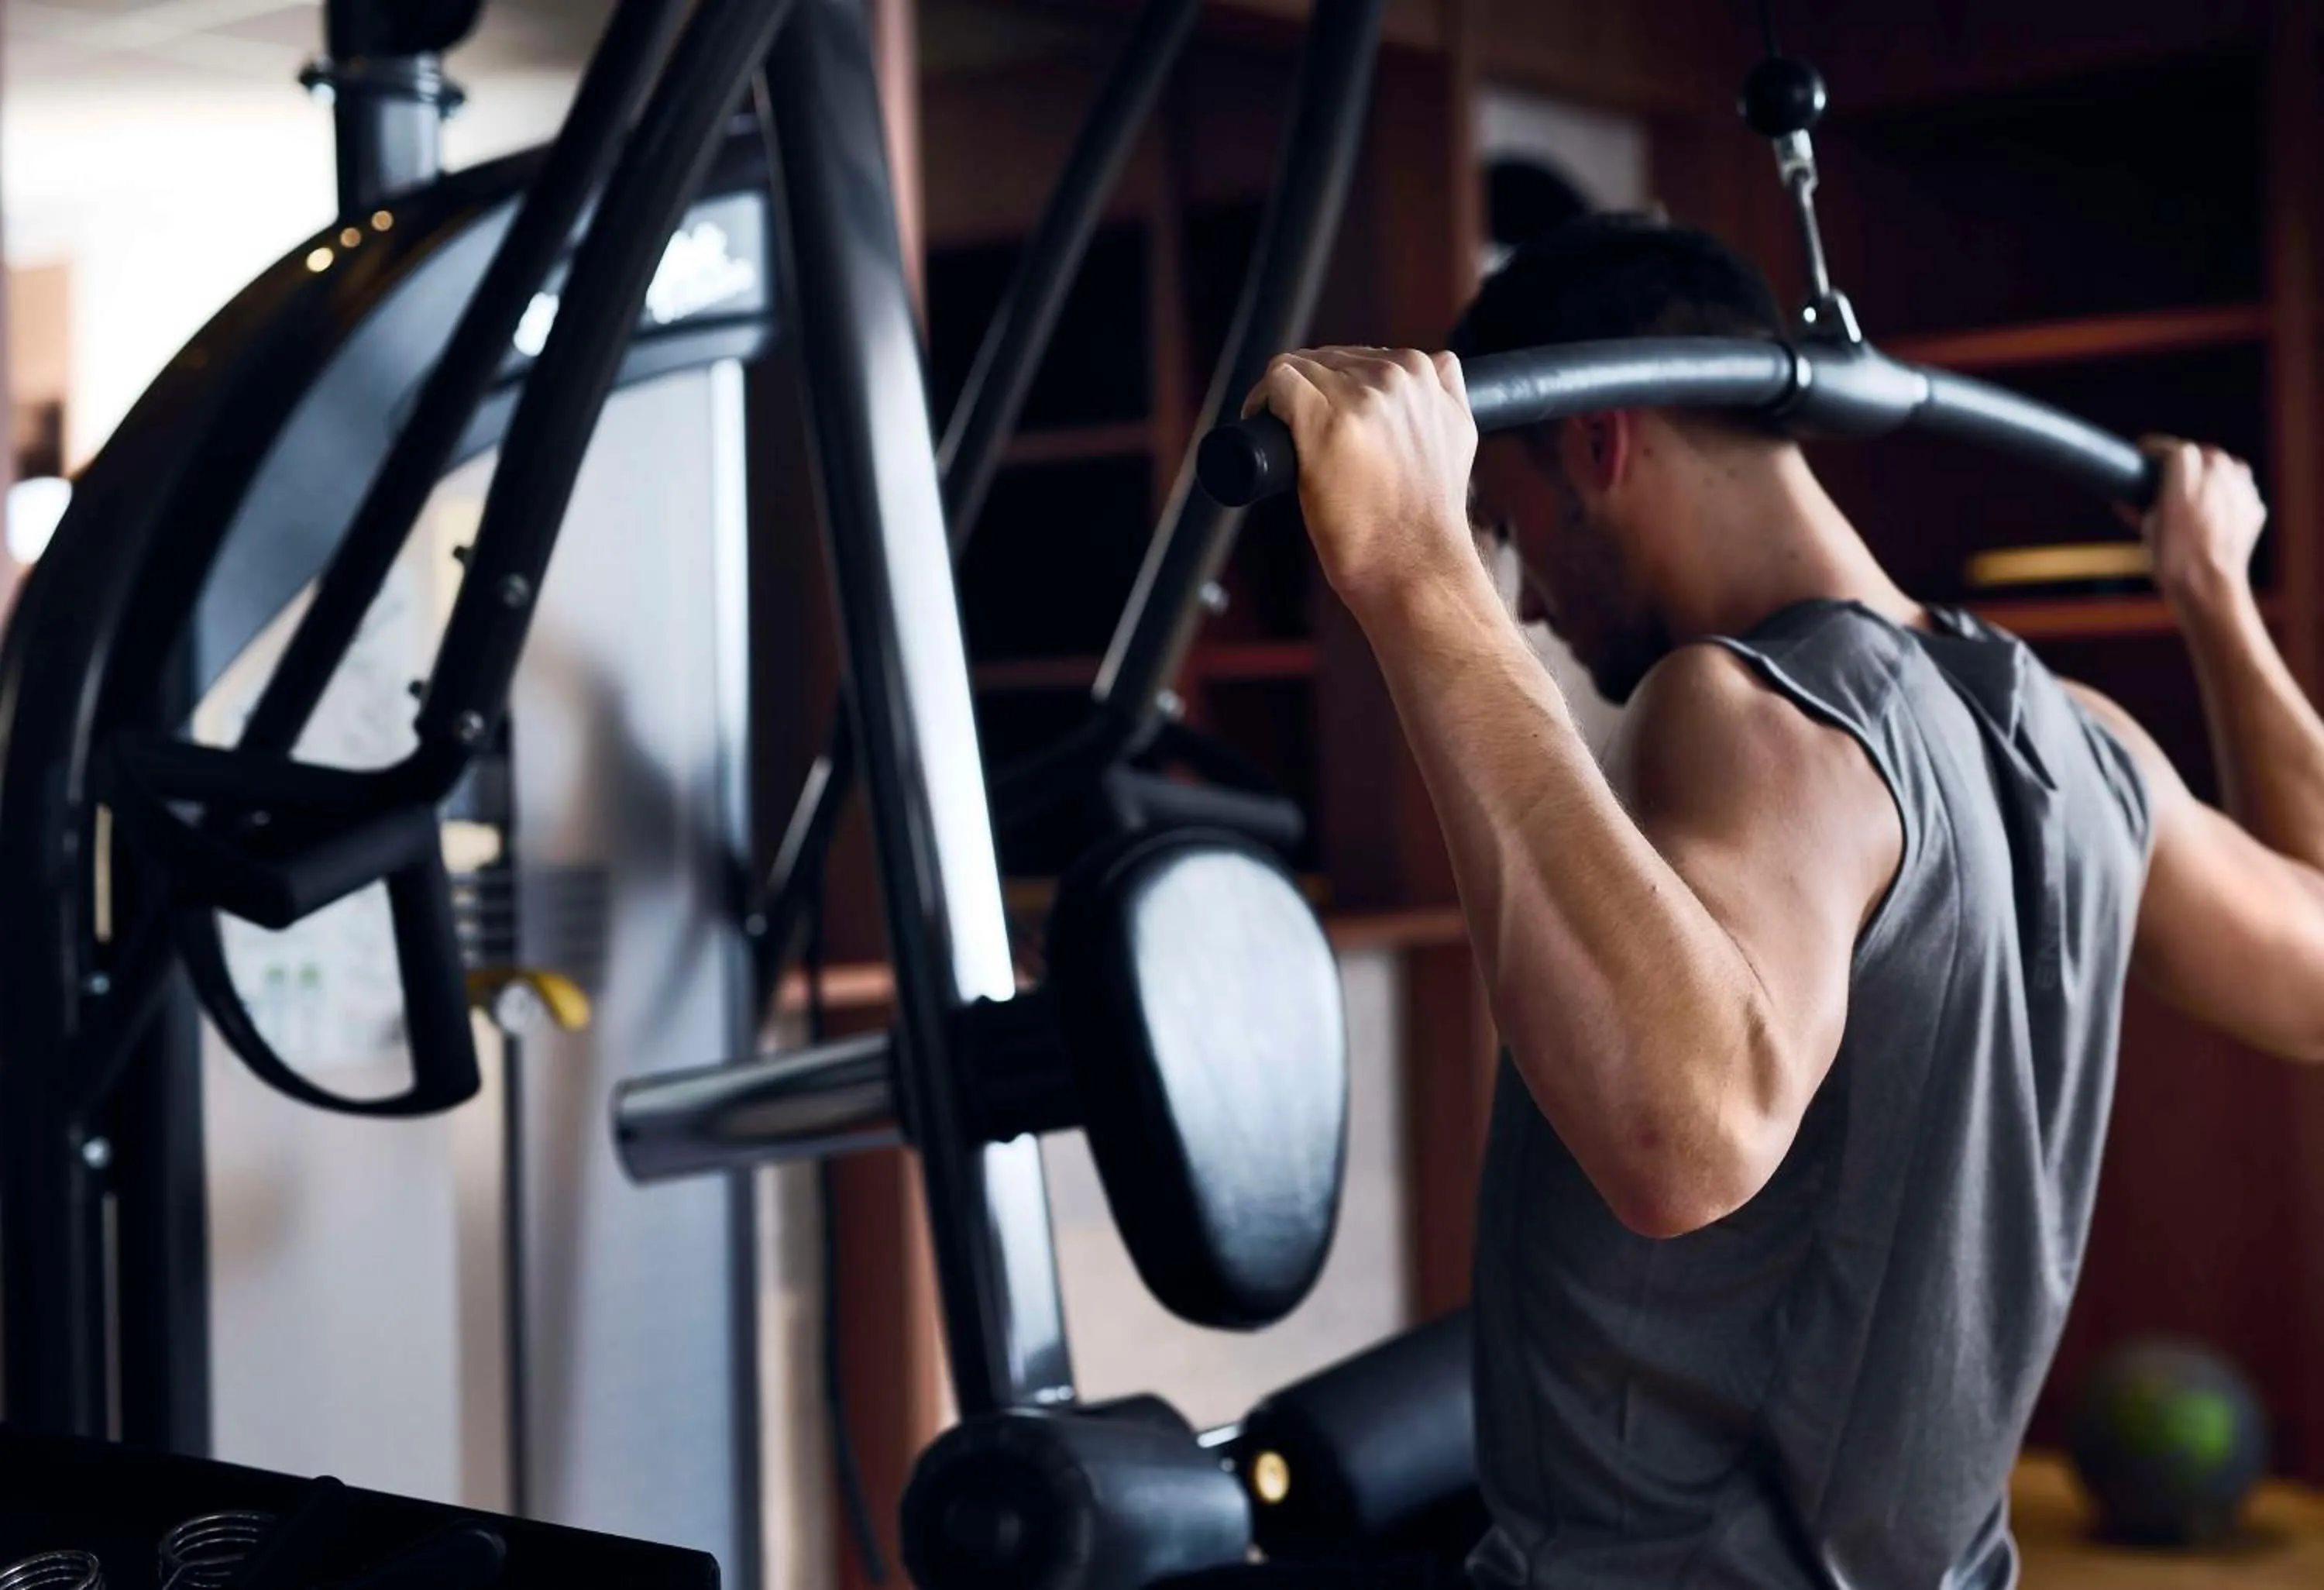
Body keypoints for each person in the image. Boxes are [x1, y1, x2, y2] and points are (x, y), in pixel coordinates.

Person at [1246, 214, 2324, 1588]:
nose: (1526, 602)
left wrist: (1415, 570)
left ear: (1601, 444)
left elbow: (1682, 1136)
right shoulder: (2081, 745)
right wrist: (2215, 601)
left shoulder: (1749, 710)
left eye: (1510, 534)